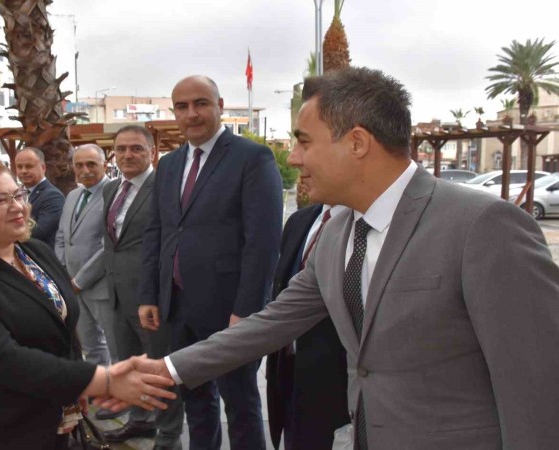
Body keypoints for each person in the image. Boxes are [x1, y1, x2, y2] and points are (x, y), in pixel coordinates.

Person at [124, 67, 559, 450]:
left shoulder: (483, 227)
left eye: (304, 142)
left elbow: (538, 388)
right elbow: (272, 323)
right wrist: (165, 369)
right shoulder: (337, 234)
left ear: (357, 143)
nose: (293, 158)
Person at [0, 161, 176, 449]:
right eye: (0, 200)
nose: (18, 206)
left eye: (18, 194)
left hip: (47, 415)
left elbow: (63, 329)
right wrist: (101, 380)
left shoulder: (34, 251)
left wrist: (72, 388)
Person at [138, 75, 283, 450]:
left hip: (229, 310)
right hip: (177, 307)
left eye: (201, 103)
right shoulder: (169, 165)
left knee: (241, 403)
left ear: (220, 106)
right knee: (196, 402)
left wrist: (247, 310)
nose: (192, 113)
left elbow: (263, 242)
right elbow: (157, 231)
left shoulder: (252, 158)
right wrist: (150, 294)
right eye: (182, 106)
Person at [102, 125, 184, 449]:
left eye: (136, 148)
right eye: (121, 149)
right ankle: (139, 421)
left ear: (152, 152)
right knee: (128, 363)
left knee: (160, 368)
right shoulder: (111, 189)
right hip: (117, 295)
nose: (127, 155)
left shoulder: (164, 188)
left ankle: (169, 434)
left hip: (152, 298)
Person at [266, 202, 349, 450]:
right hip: (288, 373)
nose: (301, 185)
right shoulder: (299, 221)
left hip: (335, 387)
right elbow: (281, 305)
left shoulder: (364, 226)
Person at [54, 145, 115, 370]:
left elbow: (109, 246)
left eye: (91, 164)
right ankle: (100, 388)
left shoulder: (114, 193)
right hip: (72, 286)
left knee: (116, 347)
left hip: (101, 287)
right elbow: (62, 236)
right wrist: (63, 272)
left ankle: (120, 390)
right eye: (79, 165)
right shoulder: (73, 196)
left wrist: (80, 281)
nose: (85, 170)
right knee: (90, 347)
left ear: (105, 165)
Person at [14, 147, 64, 248]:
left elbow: (39, 232)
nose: (23, 171)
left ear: (43, 168)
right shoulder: (16, 194)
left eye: (29, 166)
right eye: (19, 167)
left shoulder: (53, 196)